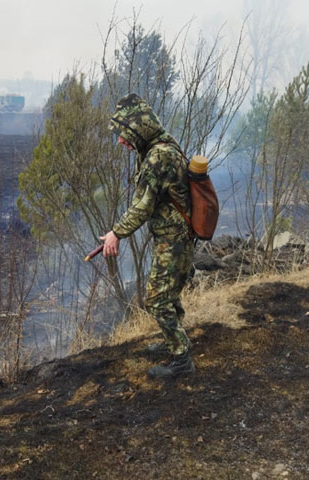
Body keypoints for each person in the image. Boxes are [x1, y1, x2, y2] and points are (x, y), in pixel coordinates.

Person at [101, 93, 195, 379]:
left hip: (174, 238)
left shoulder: (158, 156)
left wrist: (116, 233)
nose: (120, 141)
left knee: (156, 298)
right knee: (168, 293)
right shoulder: (159, 147)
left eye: (123, 133)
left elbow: (143, 205)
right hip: (173, 236)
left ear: (138, 128)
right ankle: (173, 340)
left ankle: (181, 360)